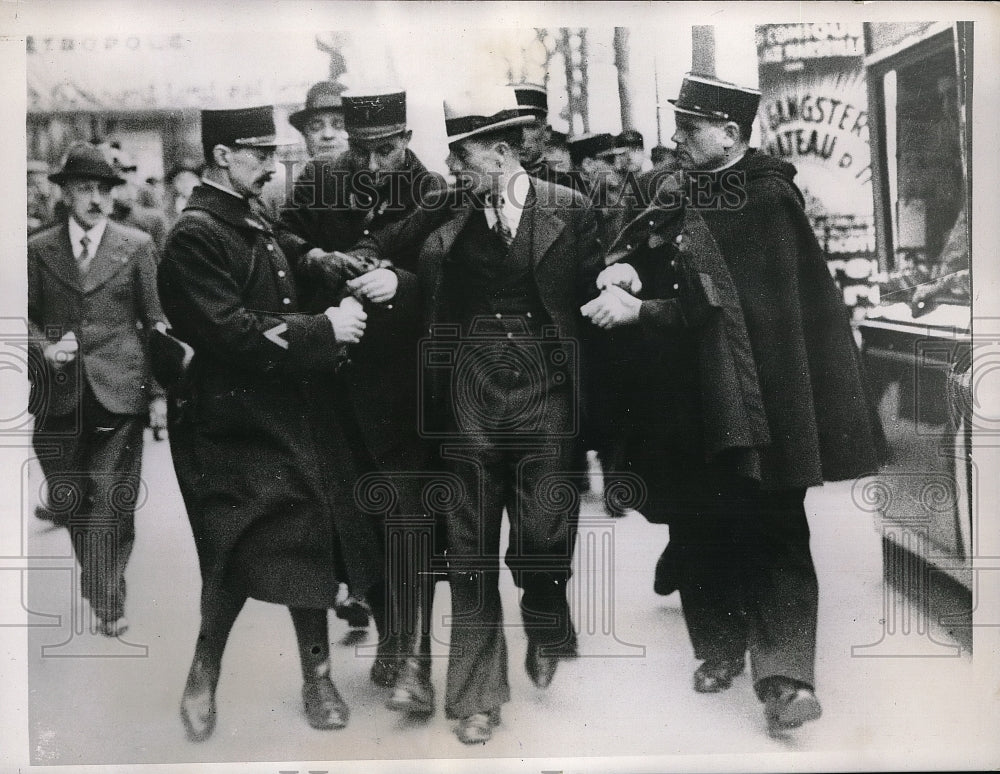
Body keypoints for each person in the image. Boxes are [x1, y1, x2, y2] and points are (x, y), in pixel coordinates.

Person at [581, 73, 885, 734]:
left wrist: (642, 309)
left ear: (732, 132)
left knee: (775, 525)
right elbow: (651, 244)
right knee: (698, 523)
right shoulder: (679, 187)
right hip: (685, 396)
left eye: (692, 128)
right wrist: (626, 263)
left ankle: (785, 678)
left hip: (759, 400)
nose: (679, 138)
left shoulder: (767, 198)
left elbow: (734, 310)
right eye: (680, 125)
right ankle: (717, 649)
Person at [354, 87, 601, 744]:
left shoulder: (570, 210)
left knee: (545, 532)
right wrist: (381, 277)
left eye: (462, 157)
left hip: (546, 393)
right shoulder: (447, 208)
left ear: (499, 152)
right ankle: (478, 697)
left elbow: (601, 278)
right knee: (468, 546)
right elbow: (384, 250)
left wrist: (622, 279)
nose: (455, 170)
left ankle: (546, 611)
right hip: (467, 396)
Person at [157, 105, 379, 741]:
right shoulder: (195, 234)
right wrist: (323, 329)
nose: (269, 162)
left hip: (281, 413)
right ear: (223, 157)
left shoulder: (248, 214)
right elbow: (229, 331)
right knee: (233, 548)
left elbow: (285, 254)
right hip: (228, 426)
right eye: (256, 152)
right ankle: (204, 670)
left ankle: (317, 676)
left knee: (306, 531)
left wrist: (325, 264)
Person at [28, 142, 167, 638]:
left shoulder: (136, 245)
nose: (95, 198)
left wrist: (156, 395)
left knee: (112, 498)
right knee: (71, 500)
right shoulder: (38, 248)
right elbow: (21, 316)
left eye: (103, 190)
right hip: (57, 396)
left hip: (119, 392)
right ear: (64, 194)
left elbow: (156, 323)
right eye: (84, 189)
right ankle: (98, 576)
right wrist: (43, 347)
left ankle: (108, 596)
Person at [512, 83, 584, 193]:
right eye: (513, 129)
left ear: (547, 133)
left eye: (531, 127)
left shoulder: (571, 184)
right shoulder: (489, 185)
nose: (521, 137)